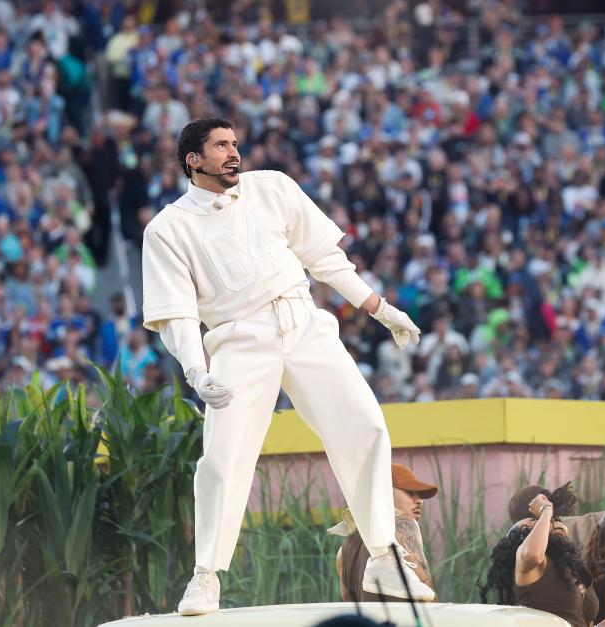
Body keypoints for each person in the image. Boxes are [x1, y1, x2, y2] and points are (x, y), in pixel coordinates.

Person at [141, 118, 431, 616]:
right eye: (221, 146)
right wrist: (195, 370)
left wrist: (381, 309)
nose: (234, 152)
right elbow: (177, 315)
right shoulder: (167, 228)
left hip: (304, 323)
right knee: (222, 456)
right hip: (238, 340)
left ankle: (384, 554)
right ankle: (206, 575)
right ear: (194, 159)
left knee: (364, 425)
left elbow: (325, 259)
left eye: (235, 143)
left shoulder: (273, 187)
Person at [480, 482, 605, 627]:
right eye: (532, 524)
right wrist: (545, 510)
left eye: (553, 519)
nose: (553, 522)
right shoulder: (529, 566)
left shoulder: (573, 570)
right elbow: (531, 554)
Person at [331, 463, 438, 602]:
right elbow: (427, 592)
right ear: (383, 492)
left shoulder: (343, 551)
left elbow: (349, 601)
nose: (419, 501)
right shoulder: (405, 525)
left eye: (419, 495)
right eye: (410, 492)